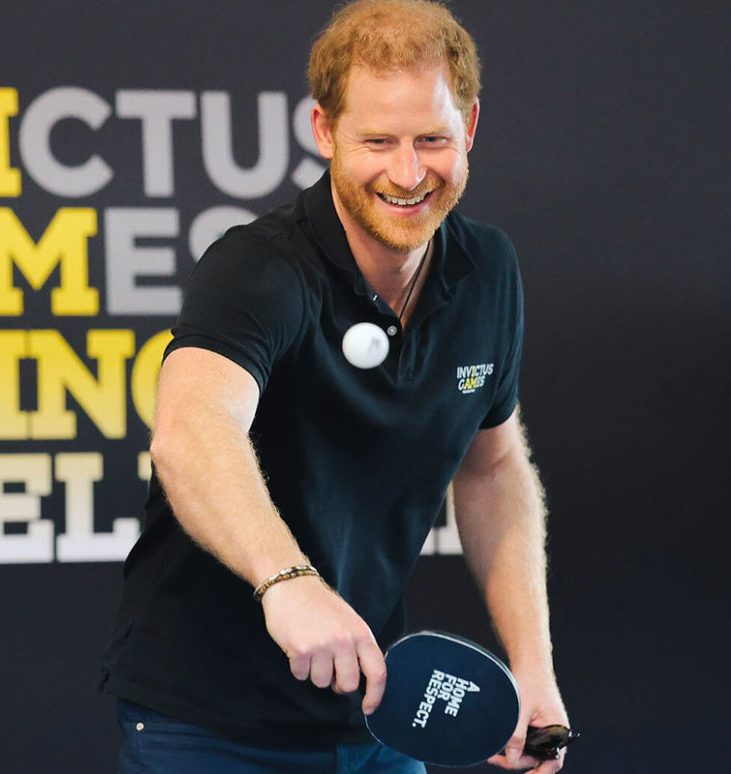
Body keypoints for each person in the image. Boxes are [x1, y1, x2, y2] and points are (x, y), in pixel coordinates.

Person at [99, 1, 570, 772]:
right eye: (377, 141)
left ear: (471, 128)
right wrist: (288, 582)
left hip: (378, 712)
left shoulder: (487, 270)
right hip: (209, 720)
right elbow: (190, 431)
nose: (409, 172)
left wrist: (533, 669)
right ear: (324, 132)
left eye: (432, 140)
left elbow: (491, 467)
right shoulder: (259, 268)